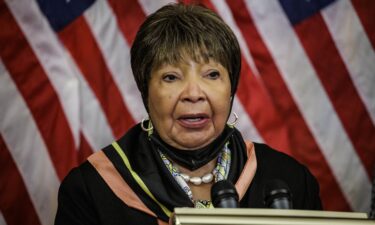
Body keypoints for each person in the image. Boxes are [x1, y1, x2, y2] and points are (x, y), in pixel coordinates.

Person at [54, 3, 322, 225]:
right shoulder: (91, 191)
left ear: (231, 88)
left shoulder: (290, 179)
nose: (193, 93)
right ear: (146, 91)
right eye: (171, 77)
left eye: (212, 74)